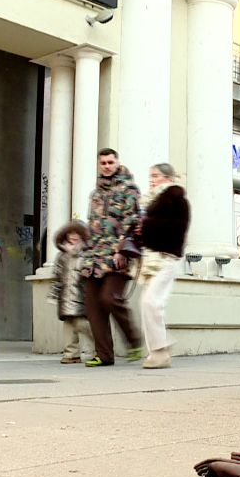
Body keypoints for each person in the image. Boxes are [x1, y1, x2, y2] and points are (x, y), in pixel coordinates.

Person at [81, 148, 143, 367]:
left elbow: (133, 221)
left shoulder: (129, 190)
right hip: (94, 257)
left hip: (118, 256)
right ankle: (104, 354)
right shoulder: (95, 194)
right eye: (103, 163)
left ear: (117, 163)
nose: (107, 166)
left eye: (110, 162)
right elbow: (91, 225)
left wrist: (122, 251)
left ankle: (135, 341)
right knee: (93, 307)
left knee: (109, 298)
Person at [133, 163, 190, 369]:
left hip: (166, 258)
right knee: (146, 303)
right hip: (150, 258)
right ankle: (157, 350)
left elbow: (176, 228)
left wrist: (146, 226)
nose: (151, 179)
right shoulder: (149, 202)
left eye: (156, 176)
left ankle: (160, 350)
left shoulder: (177, 200)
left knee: (151, 302)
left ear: (168, 178)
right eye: (150, 175)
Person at [48, 220, 95, 364]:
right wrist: (53, 294)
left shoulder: (85, 255)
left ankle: (99, 346)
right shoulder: (62, 256)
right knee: (68, 327)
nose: (73, 236)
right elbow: (58, 278)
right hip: (65, 297)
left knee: (83, 325)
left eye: (77, 234)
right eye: (71, 233)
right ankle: (71, 353)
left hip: (81, 297)